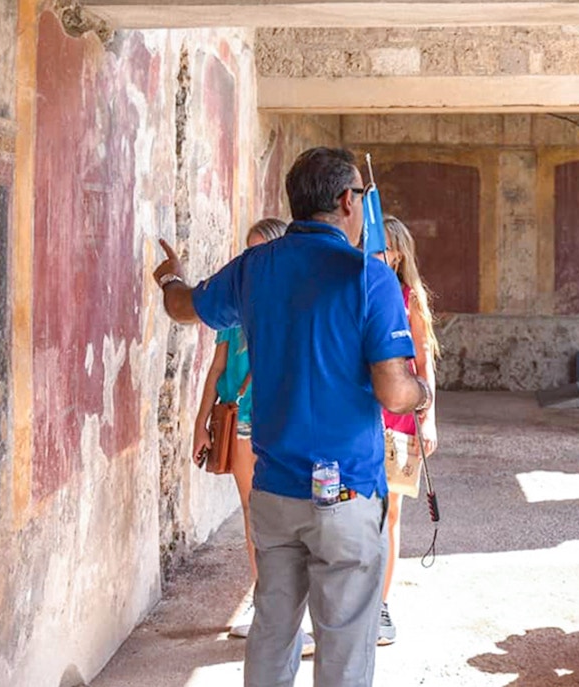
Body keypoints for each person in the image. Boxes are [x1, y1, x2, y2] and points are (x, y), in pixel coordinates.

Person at [152, 147, 431, 687]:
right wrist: (421, 394)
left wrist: (170, 279)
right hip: (347, 490)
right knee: (345, 643)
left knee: (273, 632)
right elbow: (395, 392)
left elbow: (184, 307)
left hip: (276, 488)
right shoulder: (367, 278)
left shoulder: (257, 268)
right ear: (348, 201)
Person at [192, 217, 290, 640]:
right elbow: (217, 366)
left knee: (280, 516)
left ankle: (284, 609)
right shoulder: (235, 305)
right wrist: (200, 423)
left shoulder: (291, 304)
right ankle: (263, 600)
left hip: (274, 420)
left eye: (259, 251)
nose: (250, 259)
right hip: (238, 420)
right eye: (247, 250)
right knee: (254, 514)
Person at [376, 215, 440, 646]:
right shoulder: (358, 290)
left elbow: (423, 361)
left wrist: (429, 416)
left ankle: (380, 606)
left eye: (384, 246)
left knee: (391, 514)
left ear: (399, 252)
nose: (377, 252)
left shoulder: (409, 297)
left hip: (400, 418)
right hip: (361, 415)